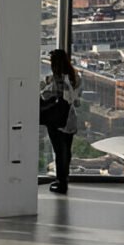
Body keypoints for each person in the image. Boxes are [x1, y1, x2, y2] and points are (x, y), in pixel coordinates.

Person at [41, 48, 82, 194]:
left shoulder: (57, 79)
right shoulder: (75, 77)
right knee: (66, 150)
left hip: (56, 119)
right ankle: (64, 179)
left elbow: (46, 95)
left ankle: (61, 181)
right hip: (70, 118)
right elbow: (76, 99)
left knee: (59, 151)